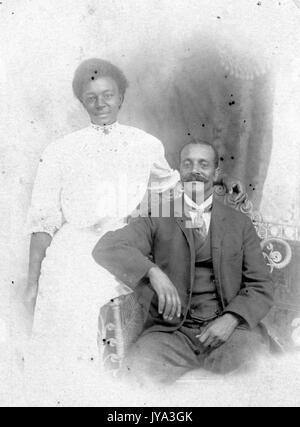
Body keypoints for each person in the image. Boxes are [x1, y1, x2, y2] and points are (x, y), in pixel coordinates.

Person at [23, 58, 245, 402]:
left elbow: (175, 194)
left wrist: (222, 183)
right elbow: (43, 221)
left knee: (113, 298)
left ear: (121, 96)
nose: (100, 104)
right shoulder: (59, 151)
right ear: (81, 101)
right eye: (91, 97)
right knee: (70, 296)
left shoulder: (145, 144)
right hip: (72, 249)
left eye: (108, 95)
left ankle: (111, 395)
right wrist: (32, 281)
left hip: (126, 243)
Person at [92, 140, 274, 386]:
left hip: (229, 332)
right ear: (179, 171)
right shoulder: (159, 216)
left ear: (216, 173)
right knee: (135, 373)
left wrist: (230, 319)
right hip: (172, 333)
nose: (195, 170)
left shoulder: (239, 223)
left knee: (256, 372)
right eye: (187, 163)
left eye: (203, 164)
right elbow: (107, 247)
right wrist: (153, 272)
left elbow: (260, 284)